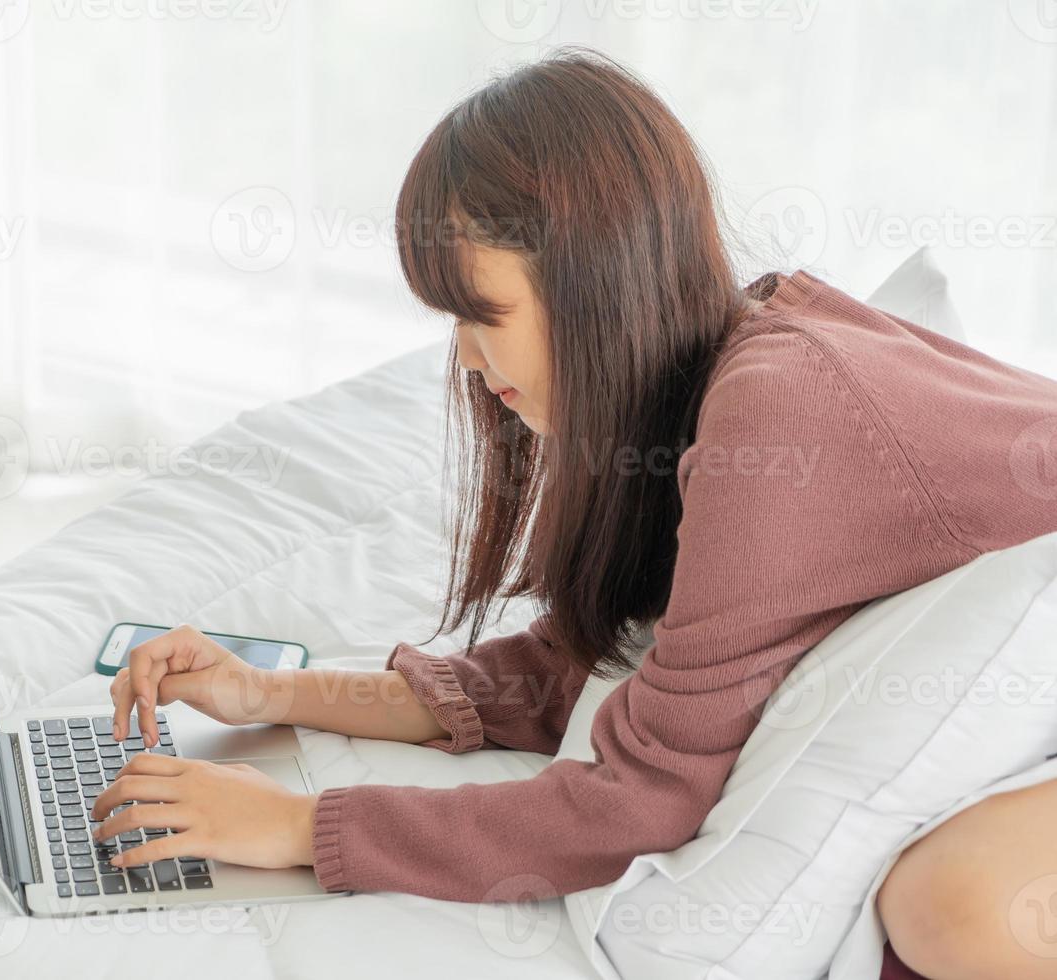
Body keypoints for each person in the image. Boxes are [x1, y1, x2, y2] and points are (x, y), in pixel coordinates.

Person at [88, 47, 1057, 979]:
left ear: (593, 282)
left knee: (956, 906)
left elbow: (643, 800)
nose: (467, 360)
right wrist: (273, 695)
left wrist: (306, 824)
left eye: (482, 314)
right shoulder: (712, 385)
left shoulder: (784, 409)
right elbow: (578, 667)